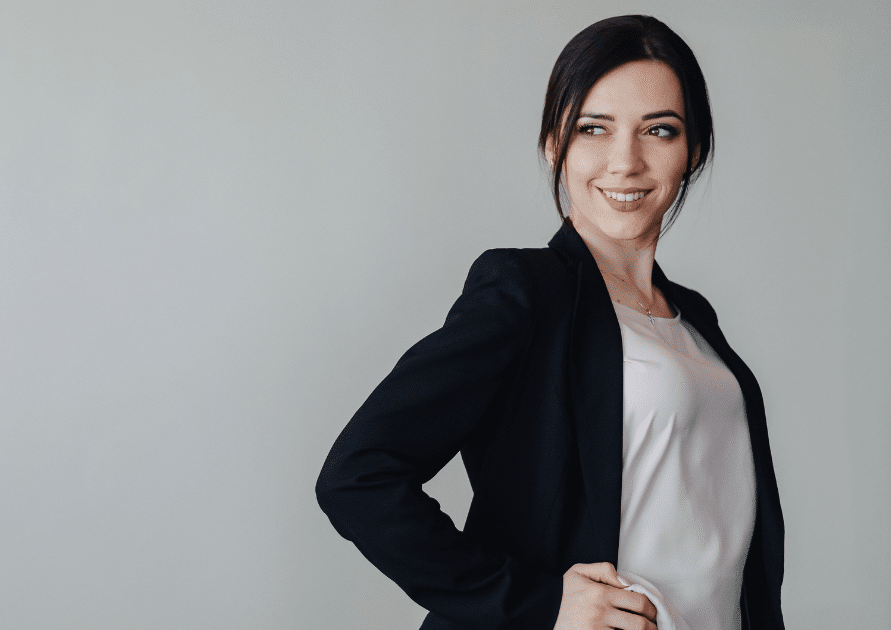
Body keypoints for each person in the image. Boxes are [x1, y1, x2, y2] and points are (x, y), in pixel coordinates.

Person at [316, 15, 785, 630]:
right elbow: (357, 475)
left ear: (691, 151)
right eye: (594, 129)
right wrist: (539, 604)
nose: (626, 162)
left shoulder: (694, 318)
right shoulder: (526, 293)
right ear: (552, 145)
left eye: (659, 131)